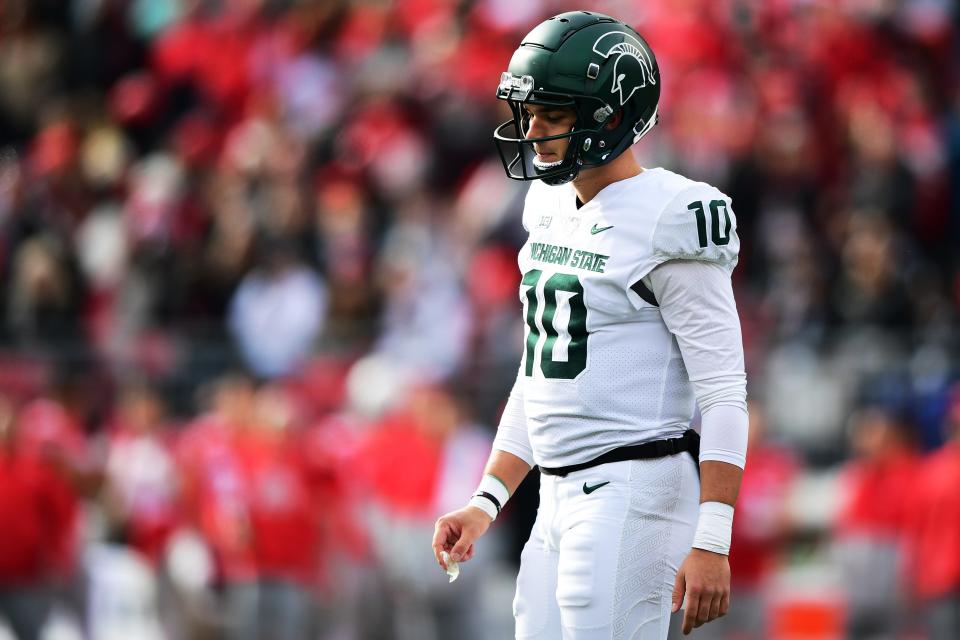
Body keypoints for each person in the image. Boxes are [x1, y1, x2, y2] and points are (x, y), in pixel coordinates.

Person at [431, 11, 749, 639]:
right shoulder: (547, 203)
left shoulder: (673, 216)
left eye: (553, 114)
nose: (534, 131)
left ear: (611, 114)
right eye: (530, 114)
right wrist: (487, 499)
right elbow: (542, 370)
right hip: (554, 496)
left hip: (635, 487)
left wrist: (713, 538)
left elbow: (723, 391)